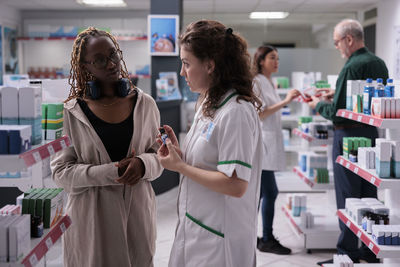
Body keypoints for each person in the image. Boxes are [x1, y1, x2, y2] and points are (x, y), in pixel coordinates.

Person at [51, 27, 163, 267]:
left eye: (113, 54)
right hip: (91, 220)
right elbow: (60, 173)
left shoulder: (145, 104)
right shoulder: (70, 112)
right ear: (85, 67)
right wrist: (111, 172)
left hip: (137, 216)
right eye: (99, 60)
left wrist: (144, 164)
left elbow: (160, 157)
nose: (111, 64)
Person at [157, 20, 263, 267]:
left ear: (210, 65)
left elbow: (236, 184)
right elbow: (209, 163)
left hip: (220, 240)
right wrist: (181, 157)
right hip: (197, 226)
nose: (182, 72)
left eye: (186, 64)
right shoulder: (208, 104)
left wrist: (181, 168)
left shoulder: (236, 112)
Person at [307, 19, 388, 266]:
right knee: (368, 195)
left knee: (347, 195)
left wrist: (317, 104)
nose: (337, 48)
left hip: (348, 137)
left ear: (349, 40)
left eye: (337, 42)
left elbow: (338, 111)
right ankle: (371, 250)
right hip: (371, 135)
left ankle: (347, 253)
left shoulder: (351, 66)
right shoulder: (378, 63)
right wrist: (337, 91)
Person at [252, 45, 299, 255]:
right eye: (272, 58)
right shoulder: (257, 82)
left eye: (278, 58)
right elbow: (259, 114)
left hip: (269, 144)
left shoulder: (269, 82)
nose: (277, 62)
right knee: (269, 192)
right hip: (262, 144)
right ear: (261, 60)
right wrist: (286, 101)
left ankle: (254, 237)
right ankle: (266, 239)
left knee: (263, 193)